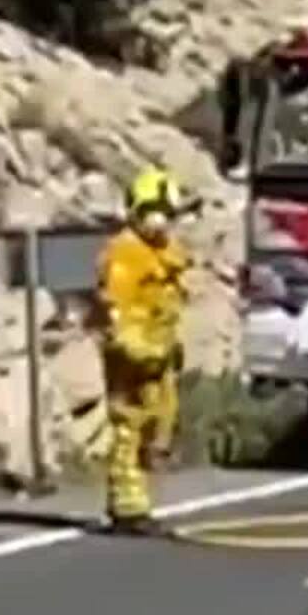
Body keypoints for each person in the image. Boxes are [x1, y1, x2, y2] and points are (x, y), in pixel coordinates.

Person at [95, 167, 191, 535]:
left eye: (168, 213)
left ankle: (141, 495)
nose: (161, 220)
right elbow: (114, 309)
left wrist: (169, 348)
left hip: (160, 353)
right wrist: (135, 347)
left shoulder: (166, 251)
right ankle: (127, 508)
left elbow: (173, 298)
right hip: (133, 355)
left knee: (159, 424)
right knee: (128, 426)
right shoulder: (124, 253)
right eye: (154, 210)